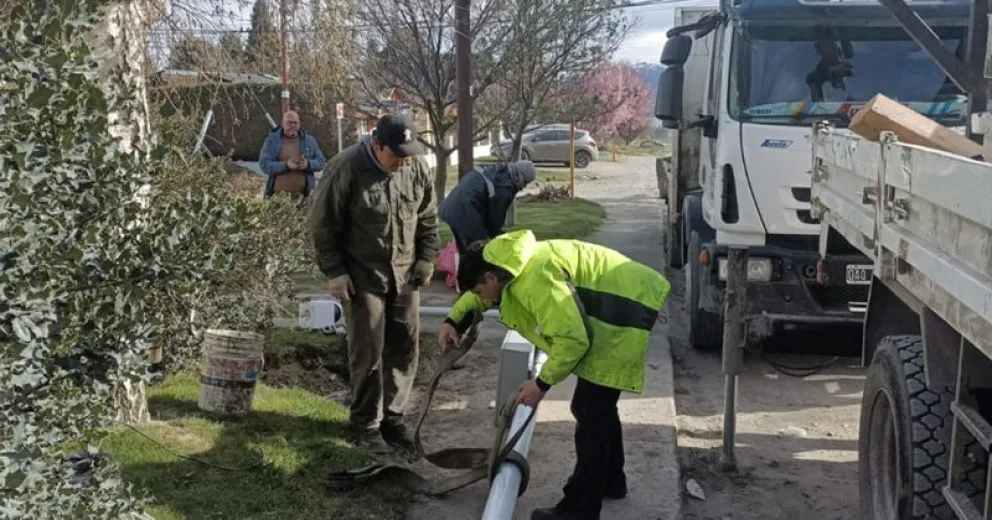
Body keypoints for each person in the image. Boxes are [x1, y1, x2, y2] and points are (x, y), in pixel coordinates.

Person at [438, 229, 671, 520]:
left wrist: (541, 384)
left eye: (477, 289)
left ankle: (580, 509)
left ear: (490, 278)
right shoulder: (508, 263)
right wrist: (453, 321)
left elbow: (574, 340)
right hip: (621, 301)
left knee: (591, 415)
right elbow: (480, 299)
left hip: (622, 313)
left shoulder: (536, 279)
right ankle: (611, 481)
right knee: (595, 408)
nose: (479, 297)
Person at [308, 114, 440, 453]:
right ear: (376, 144)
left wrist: (427, 257)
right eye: (396, 155)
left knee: (406, 348)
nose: (403, 162)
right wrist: (335, 272)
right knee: (368, 354)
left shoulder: (415, 167)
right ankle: (366, 424)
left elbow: (427, 217)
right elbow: (323, 226)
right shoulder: (346, 168)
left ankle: (392, 419)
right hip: (362, 277)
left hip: (405, 274)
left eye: (408, 154)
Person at [438, 160, 537, 253]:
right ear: (519, 177)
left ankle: (459, 269)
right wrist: (497, 236)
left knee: (464, 251)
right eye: (525, 182)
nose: (523, 187)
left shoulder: (496, 170)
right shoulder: (504, 187)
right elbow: (496, 217)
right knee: (478, 252)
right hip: (465, 212)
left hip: (450, 207)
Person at [259, 110, 326, 199]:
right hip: (278, 198)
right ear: (283, 123)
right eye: (289, 123)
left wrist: (308, 164)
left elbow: (321, 162)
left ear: (299, 124)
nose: (293, 125)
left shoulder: (309, 141)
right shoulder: (272, 141)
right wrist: (285, 165)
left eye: (295, 123)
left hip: (303, 198)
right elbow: (264, 165)